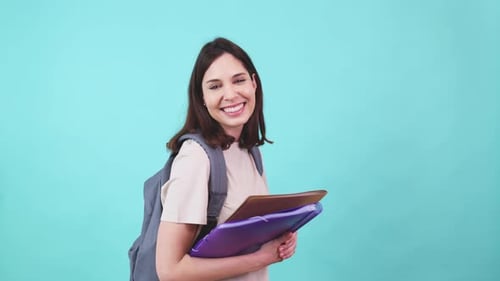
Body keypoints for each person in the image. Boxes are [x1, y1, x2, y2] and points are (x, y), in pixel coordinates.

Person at [155, 37, 298, 281]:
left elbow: (245, 233)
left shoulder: (250, 151)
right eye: (215, 86)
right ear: (201, 97)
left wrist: (279, 239)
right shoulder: (196, 158)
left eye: (239, 80)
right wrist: (263, 257)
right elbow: (169, 271)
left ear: (254, 83)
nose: (230, 94)